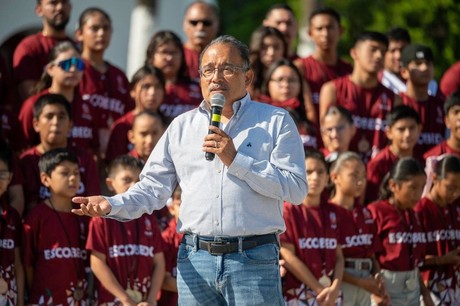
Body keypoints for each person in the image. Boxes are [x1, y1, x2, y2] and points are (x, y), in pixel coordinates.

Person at [72, 35, 307, 305]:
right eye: (208, 69)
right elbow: (152, 188)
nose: (216, 76)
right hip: (196, 260)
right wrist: (111, 204)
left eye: (227, 68)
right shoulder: (182, 126)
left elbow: (296, 189)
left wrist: (236, 159)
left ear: (249, 77)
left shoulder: (276, 121)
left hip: (253, 260)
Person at [86, 155, 165, 305]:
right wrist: (125, 299)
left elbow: (159, 263)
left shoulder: (149, 219)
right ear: (110, 184)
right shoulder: (101, 219)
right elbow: (97, 263)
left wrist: (152, 299)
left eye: (138, 181)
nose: (134, 185)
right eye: (127, 180)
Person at [319, 31, 400, 162]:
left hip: (379, 175)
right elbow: (327, 138)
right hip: (342, 173)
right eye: (373, 50)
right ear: (354, 53)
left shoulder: (394, 99)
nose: (379, 56)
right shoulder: (332, 90)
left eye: (383, 52)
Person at [22, 148, 89, 305]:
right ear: (45, 179)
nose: (73, 178)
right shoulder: (35, 217)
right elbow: (27, 265)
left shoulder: (84, 214)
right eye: (65, 173)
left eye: (76, 172)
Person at [367, 157, 434, 306]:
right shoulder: (376, 212)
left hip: (413, 289)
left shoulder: (414, 214)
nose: (418, 194)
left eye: (422, 187)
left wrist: (425, 293)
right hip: (386, 287)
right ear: (393, 185)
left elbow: (415, 262)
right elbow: (370, 256)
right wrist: (377, 290)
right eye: (413, 187)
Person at [281, 149, 344, 305]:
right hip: (298, 293)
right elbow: (288, 257)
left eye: (320, 172)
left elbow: (339, 257)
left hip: (331, 292)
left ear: (328, 178)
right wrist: (319, 290)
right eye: (308, 172)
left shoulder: (333, 211)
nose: (315, 177)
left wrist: (335, 288)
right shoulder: (289, 210)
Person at [20, 94, 100, 214]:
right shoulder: (25, 161)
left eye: (61, 117)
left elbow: (94, 204)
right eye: (49, 116)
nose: (56, 122)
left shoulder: (85, 159)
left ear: (70, 125)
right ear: (36, 124)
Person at [328, 152, 388, 306]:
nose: (360, 181)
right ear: (335, 177)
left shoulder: (365, 212)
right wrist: (360, 282)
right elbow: (332, 262)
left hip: (366, 281)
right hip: (341, 282)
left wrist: (377, 279)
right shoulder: (328, 213)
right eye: (354, 176)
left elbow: (372, 256)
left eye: (363, 176)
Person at [18, 41, 98, 153]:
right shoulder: (33, 104)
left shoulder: (88, 107)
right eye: (66, 64)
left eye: (79, 64)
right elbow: (21, 147)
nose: (73, 69)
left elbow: (94, 149)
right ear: (50, 69)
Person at [76, 7, 134, 159]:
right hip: (81, 154)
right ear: (80, 34)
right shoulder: (74, 70)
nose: (101, 33)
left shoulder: (119, 75)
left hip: (115, 156)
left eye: (106, 28)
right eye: (94, 28)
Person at [294, 7, 353, 126]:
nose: (325, 34)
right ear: (310, 33)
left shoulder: (350, 71)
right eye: (319, 29)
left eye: (330, 27)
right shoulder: (300, 67)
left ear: (341, 31)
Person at [415, 154, 460, 305]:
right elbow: (411, 258)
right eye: (450, 187)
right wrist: (442, 259)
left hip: (455, 288)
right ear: (435, 178)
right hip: (428, 291)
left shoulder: (456, 208)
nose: (455, 193)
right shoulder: (419, 211)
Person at [13, 0, 73, 100]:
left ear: (70, 7)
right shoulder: (29, 46)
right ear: (39, 10)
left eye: (64, 2)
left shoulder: (78, 47)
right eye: (53, 3)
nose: (60, 7)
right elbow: (30, 95)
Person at [105, 65, 165, 163]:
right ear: (132, 91)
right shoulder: (122, 126)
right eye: (146, 86)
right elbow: (113, 164)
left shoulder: (171, 124)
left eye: (158, 87)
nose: (152, 92)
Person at [366, 105, 422, 203]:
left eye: (412, 128)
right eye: (401, 129)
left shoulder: (422, 161)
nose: (408, 134)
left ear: (419, 129)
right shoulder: (378, 165)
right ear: (389, 133)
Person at [146, 30, 202, 124]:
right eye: (164, 52)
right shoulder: (142, 88)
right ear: (152, 56)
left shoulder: (197, 89)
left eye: (174, 53)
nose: (169, 58)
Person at [399, 44, 445, 158]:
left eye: (428, 64)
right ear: (404, 71)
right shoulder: (397, 102)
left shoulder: (441, 106)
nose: (425, 68)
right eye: (418, 64)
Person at [0, 142, 24, 306]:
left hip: (9, 297)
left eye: (2, 174)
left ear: (10, 178)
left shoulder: (12, 216)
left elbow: (17, 263)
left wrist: (21, 301)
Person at [182, 1, 220, 80]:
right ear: (184, 24)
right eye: (194, 22)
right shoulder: (175, 56)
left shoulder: (226, 56)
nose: (200, 27)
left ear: (217, 25)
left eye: (207, 23)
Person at [158, 186, 183, 306]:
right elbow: (164, 280)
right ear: (172, 208)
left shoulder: (205, 237)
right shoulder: (166, 239)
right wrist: (200, 288)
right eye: (181, 205)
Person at [248, 26, 288, 100]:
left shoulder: (293, 74)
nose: (271, 53)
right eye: (264, 48)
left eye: (276, 47)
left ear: (284, 49)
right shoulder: (246, 78)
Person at [380, 27, 411, 95]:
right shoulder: (378, 83)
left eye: (402, 50)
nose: (398, 56)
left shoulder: (423, 81)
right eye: (392, 51)